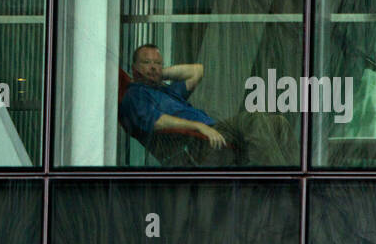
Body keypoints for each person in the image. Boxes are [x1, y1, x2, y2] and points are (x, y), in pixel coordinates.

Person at [119, 44, 294, 166]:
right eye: (146, 63)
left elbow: (197, 71)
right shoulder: (136, 95)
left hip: (212, 132)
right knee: (253, 120)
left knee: (278, 123)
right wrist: (200, 126)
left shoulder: (165, 91)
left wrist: (158, 74)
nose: (153, 67)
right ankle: (273, 179)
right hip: (198, 144)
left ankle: (294, 175)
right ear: (135, 67)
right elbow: (157, 121)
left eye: (157, 63)